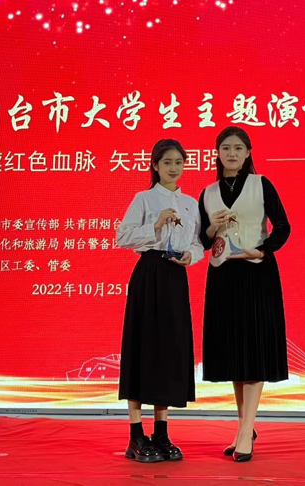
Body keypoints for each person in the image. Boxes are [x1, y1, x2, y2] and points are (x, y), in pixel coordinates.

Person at [198, 126, 291, 462]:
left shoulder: (261, 184)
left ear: (248, 152)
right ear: (217, 153)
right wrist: (213, 226)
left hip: (256, 274)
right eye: (226, 148)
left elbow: (283, 227)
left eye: (238, 148)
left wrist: (262, 250)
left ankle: (245, 431)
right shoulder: (208, 193)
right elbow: (203, 240)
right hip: (223, 277)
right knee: (235, 355)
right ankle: (244, 428)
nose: (232, 153)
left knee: (254, 352)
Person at [115, 139, 205, 463]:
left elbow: (198, 243)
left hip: (175, 277)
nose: (173, 168)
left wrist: (190, 255)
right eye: (167, 162)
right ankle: (136, 436)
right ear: (155, 165)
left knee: (169, 351)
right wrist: (155, 224)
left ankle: (161, 433)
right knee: (143, 349)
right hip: (149, 274)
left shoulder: (191, 204)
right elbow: (122, 236)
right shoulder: (144, 198)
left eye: (179, 162)